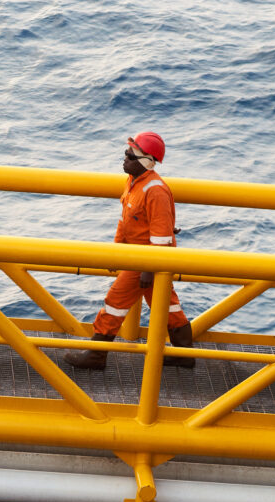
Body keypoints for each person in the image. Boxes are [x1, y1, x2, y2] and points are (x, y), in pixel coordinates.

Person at [68, 131, 195, 371]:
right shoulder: (134, 183)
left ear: (146, 162)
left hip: (146, 261)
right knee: (166, 305)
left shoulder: (155, 190)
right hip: (140, 258)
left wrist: (147, 269)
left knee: (115, 301)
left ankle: (97, 355)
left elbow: (160, 236)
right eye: (126, 154)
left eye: (130, 156)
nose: (124, 159)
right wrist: (118, 252)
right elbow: (126, 220)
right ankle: (184, 353)